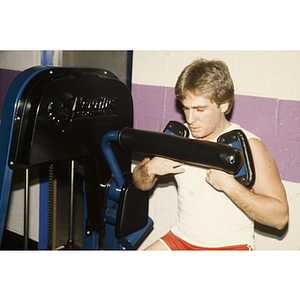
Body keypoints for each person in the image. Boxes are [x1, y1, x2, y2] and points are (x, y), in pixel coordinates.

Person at [132, 58, 289, 251]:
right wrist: (149, 169)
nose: (190, 119)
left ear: (223, 105)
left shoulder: (248, 146)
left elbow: (280, 218)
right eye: (186, 108)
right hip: (179, 239)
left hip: (230, 246)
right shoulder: (178, 136)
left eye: (199, 109)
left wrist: (229, 186)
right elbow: (139, 182)